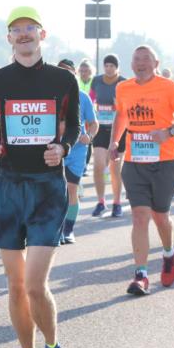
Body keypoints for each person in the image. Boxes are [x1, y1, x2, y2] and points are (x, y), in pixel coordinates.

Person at [0, 6, 79, 348]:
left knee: (35, 285)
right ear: (9, 38)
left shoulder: (63, 80)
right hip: (8, 187)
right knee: (15, 286)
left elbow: (76, 126)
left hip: (48, 188)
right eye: (17, 30)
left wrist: (62, 148)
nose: (24, 35)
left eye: (30, 28)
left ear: (42, 35)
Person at [109, 45, 174, 296]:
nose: (141, 62)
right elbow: (121, 116)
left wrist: (168, 133)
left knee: (160, 215)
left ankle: (168, 253)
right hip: (135, 161)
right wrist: (114, 142)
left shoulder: (170, 87)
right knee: (140, 215)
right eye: (136, 59)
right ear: (131, 64)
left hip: (166, 161)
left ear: (156, 62)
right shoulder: (123, 88)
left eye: (146, 59)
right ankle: (141, 275)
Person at [58, 59, 98, 244]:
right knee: (56, 191)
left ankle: (68, 230)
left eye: (68, 71)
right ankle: (56, 229)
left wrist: (89, 136)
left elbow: (94, 123)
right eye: (60, 71)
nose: (65, 75)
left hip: (78, 150)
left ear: (73, 74)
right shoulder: (49, 96)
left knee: (72, 189)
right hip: (55, 149)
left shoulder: (83, 97)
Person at [90, 54, 127, 217]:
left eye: (112, 66)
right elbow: (90, 100)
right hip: (101, 129)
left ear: (117, 67)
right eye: (107, 65)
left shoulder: (123, 83)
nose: (109, 68)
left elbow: (128, 107)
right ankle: (100, 201)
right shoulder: (97, 81)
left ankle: (117, 202)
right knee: (98, 165)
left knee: (114, 168)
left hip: (118, 130)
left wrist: (117, 106)